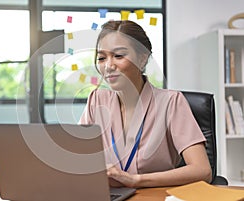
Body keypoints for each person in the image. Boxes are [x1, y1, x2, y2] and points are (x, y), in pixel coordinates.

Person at [79, 20, 212, 188]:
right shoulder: (96, 100)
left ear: (142, 59)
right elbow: (78, 158)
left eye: (118, 56)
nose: (108, 66)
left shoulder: (171, 102)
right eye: (101, 58)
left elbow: (202, 170)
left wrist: (137, 180)